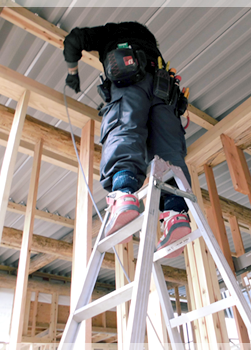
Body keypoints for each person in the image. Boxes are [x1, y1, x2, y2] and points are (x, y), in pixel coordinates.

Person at [63, 22, 191, 258]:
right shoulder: (151, 43)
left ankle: (123, 194)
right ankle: (176, 215)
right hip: (164, 91)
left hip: (129, 81)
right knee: (168, 149)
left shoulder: (109, 33)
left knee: (124, 128)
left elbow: (73, 41)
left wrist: (72, 72)